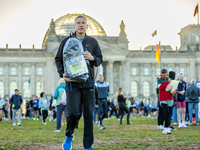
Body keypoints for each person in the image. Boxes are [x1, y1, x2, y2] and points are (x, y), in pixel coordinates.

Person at [55, 15, 102, 150]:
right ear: (74, 26)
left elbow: (100, 59)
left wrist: (92, 58)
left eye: (83, 23)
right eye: (78, 23)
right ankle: (69, 135)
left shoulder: (93, 42)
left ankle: (87, 146)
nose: (81, 25)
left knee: (88, 115)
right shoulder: (66, 42)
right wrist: (62, 73)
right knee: (73, 112)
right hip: (72, 84)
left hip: (88, 84)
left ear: (87, 26)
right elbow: (58, 59)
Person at [157, 69, 176, 134]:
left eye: (165, 73)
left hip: (170, 99)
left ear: (167, 73)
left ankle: (167, 127)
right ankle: (165, 128)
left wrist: (174, 91)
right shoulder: (159, 80)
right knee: (167, 112)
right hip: (163, 99)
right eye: (163, 73)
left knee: (169, 113)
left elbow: (173, 87)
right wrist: (167, 82)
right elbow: (160, 87)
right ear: (161, 74)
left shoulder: (170, 79)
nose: (164, 74)